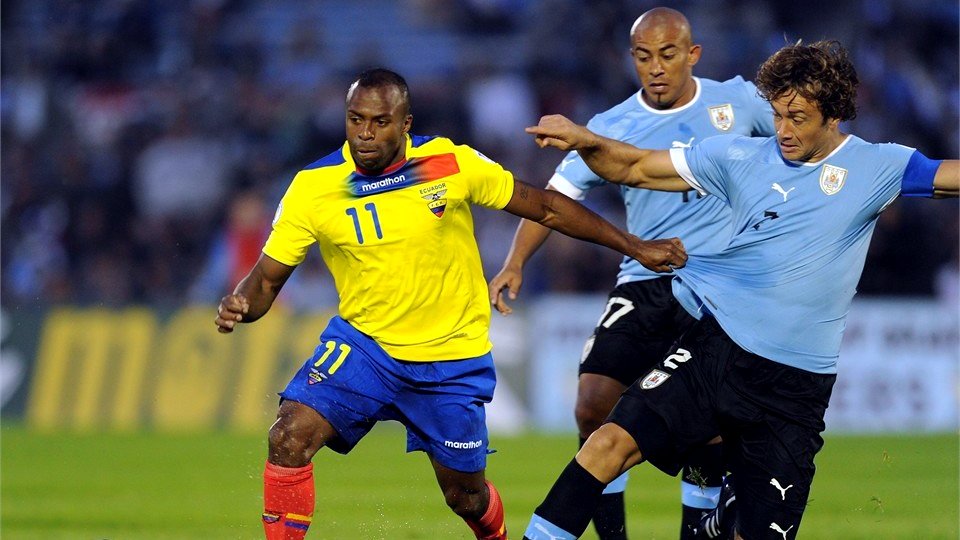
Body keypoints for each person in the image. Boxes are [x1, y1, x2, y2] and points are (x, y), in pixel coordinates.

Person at [213, 68, 687, 540]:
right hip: (366, 347)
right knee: (288, 436)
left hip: (451, 360)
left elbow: (544, 206)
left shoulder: (448, 163)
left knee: (465, 496)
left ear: (405, 123)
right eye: (355, 119)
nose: (365, 133)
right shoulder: (314, 188)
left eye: (379, 121)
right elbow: (265, 283)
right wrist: (241, 304)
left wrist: (634, 246)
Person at [520, 40, 958, 540]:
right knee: (606, 445)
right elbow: (635, 166)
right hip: (714, 350)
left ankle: (713, 526)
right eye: (776, 115)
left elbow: (950, 176)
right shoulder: (739, 155)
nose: (783, 131)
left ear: (834, 112)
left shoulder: (878, 167)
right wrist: (585, 139)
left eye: (797, 117)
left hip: (794, 390)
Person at [488, 8, 775, 539]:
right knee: (592, 404)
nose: (656, 68)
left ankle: (696, 528)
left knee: (706, 425)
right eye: (644, 57)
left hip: (720, 286)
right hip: (644, 280)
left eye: (668, 55)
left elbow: (797, 140)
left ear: (693, 55)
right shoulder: (611, 126)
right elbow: (557, 198)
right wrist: (515, 262)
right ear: (632, 59)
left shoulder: (737, 101)